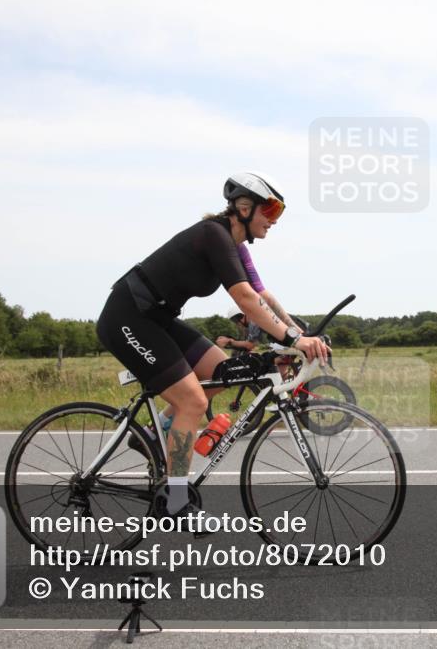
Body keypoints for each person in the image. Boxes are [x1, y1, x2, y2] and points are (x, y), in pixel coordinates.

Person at [95, 172, 329, 519]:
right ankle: (176, 502)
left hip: (157, 319)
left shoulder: (234, 246)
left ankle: (153, 432)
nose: (273, 221)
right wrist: (293, 339)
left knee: (222, 372)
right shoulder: (213, 235)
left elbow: (261, 294)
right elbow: (246, 299)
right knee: (191, 400)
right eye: (270, 211)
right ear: (244, 208)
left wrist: (298, 333)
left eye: (277, 214)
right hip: (127, 317)